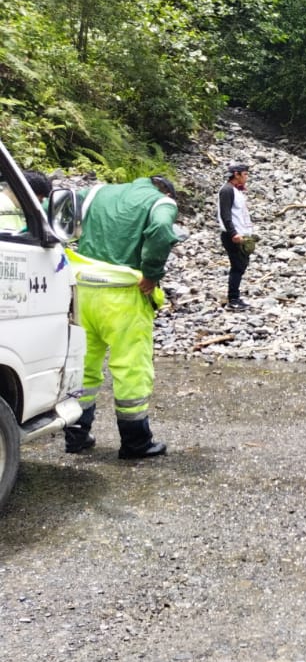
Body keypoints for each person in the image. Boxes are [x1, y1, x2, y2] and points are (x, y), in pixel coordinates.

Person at [63, 175, 181, 460]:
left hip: (83, 290)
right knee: (131, 369)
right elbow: (162, 230)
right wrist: (152, 273)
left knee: (84, 365)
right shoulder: (160, 202)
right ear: (166, 192)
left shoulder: (96, 193)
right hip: (124, 295)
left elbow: (50, 207)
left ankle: (76, 435)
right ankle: (135, 442)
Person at [218, 162, 255, 310]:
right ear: (236, 174)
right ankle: (233, 299)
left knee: (241, 265)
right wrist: (233, 233)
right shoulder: (227, 190)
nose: (246, 177)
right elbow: (225, 214)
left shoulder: (236, 190)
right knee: (237, 266)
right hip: (233, 235)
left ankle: (235, 297)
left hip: (241, 233)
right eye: (244, 174)